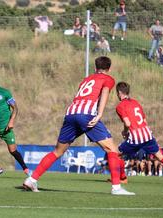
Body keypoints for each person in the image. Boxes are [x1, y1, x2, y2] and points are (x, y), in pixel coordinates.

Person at [23, 56, 135, 195]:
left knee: (57, 151)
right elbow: (104, 93)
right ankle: (116, 188)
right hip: (86, 115)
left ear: (95, 68)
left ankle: (32, 179)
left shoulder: (86, 80)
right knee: (112, 150)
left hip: (71, 113)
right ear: (109, 68)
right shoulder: (108, 79)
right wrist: (99, 114)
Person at [115, 82, 163, 184]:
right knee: (161, 157)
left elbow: (127, 123)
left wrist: (125, 132)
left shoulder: (120, 106)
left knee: (115, 154)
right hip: (147, 135)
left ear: (119, 93)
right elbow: (144, 121)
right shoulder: (136, 103)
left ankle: (122, 178)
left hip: (136, 137)